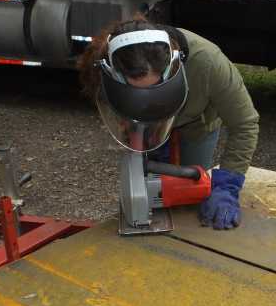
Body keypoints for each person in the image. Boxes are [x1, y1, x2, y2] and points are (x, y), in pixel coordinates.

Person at [78, 17, 259, 230]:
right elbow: (113, 109)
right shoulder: (103, 64)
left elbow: (244, 124)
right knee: (148, 194)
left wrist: (228, 185)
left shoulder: (208, 63)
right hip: (142, 126)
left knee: (193, 195)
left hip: (195, 123)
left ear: (174, 68)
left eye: (155, 87)